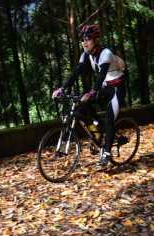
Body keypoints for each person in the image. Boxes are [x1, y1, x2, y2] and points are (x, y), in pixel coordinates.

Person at [52, 24, 126, 166]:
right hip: (105, 88)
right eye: (82, 39)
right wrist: (62, 88)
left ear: (96, 40)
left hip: (117, 89)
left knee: (110, 119)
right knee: (81, 108)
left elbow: (101, 75)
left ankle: (106, 153)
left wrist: (92, 92)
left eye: (88, 39)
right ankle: (98, 131)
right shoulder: (86, 55)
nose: (84, 42)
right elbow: (76, 72)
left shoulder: (106, 53)